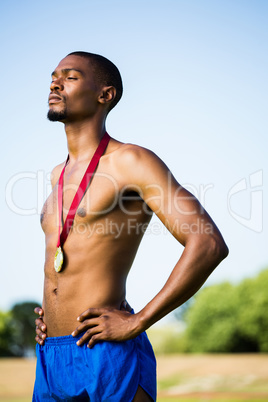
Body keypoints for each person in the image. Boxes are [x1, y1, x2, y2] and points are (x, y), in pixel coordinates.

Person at [33, 51, 228, 401]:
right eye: (53, 75)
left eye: (71, 76)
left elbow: (208, 243)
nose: (55, 82)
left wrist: (137, 322)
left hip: (108, 353)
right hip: (51, 354)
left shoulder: (131, 160)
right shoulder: (56, 175)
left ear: (105, 95)